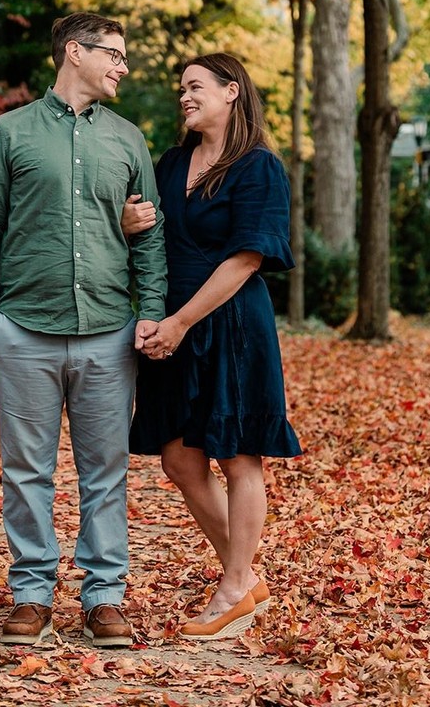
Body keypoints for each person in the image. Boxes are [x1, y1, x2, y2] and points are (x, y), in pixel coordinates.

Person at [0, 12, 167, 648]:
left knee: (104, 468)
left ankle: (104, 596)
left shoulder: (129, 140)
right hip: (22, 328)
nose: (123, 67)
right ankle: (31, 592)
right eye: (115, 54)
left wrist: (152, 308)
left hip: (108, 330)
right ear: (74, 53)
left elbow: (149, 234)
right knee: (26, 469)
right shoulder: (8, 133)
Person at [125, 53, 301, 641]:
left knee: (238, 454)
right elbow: (149, 233)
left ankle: (232, 586)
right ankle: (245, 573)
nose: (184, 96)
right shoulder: (172, 163)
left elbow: (247, 258)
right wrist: (128, 226)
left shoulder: (258, 168)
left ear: (231, 92)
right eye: (181, 88)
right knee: (178, 456)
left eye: (195, 87)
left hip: (229, 324)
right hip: (172, 322)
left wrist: (180, 321)